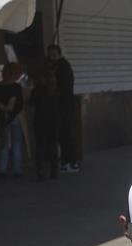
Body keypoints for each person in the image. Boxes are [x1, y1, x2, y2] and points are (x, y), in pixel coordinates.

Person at [47, 45, 79, 173]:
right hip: (63, 106)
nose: (51, 57)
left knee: (66, 135)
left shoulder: (63, 67)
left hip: (64, 106)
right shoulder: (58, 66)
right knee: (64, 135)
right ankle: (67, 162)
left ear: (59, 54)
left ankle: (70, 162)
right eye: (50, 55)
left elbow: (62, 87)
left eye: (54, 55)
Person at [0, 62, 25, 178]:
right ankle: (17, 170)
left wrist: (4, 109)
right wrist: (10, 110)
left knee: (4, 144)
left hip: (2, 117)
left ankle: (2, 169)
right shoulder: (16, 87)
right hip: (15, 117)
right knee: (16, 143)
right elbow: (17, 104)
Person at [30, 65, 60, 181]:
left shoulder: (36, 91)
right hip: (54, 121)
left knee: (40, 146)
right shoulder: (56, 90)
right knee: (53, 145)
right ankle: (54, 171)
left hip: (40, 121)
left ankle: (40, 172)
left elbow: (31, 104)